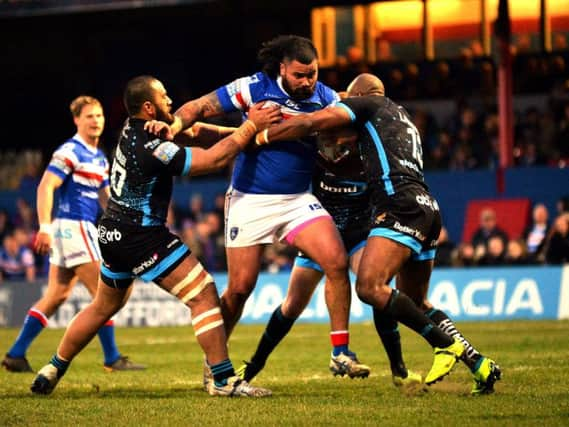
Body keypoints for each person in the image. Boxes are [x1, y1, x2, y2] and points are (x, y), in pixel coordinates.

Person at [30, 75, 280, 397]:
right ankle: (223, 380)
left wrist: (249, 134)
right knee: (203, 293)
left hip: (112, 233)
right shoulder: (153, 146)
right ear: (148, 107)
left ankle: (52, 368)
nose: (170, 102)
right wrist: (249, 128)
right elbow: (213, 159)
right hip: (140, 235)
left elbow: (195, 132)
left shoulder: (134, 131)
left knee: (103, 306)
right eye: (164, 97)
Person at [258, 73, 502, 393]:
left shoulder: (368, 103)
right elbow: (345, 156)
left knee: (369, 287)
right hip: (427, 207)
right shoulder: (402, 119)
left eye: (349, 99)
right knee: (416, 300)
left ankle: (445, 345)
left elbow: (314, 122)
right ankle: (480, 364)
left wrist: (264, 134)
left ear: (360, 96)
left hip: (399, 207)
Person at [147, 35, 368, 381]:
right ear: (282, 68)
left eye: (313, 74)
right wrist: (174, 125)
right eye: (300, 75)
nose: (308, 82)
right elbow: (200, 107)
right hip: (250, 199)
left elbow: (346, 129)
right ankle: (214, 363)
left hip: (297, 200)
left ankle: (340, 353)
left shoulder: (324, 97)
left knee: (336, 261)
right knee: (239, 289)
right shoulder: (254, 88)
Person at [2, 96, 145, 373]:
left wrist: (125, 223)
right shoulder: (70, 151)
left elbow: (105, 198)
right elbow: (46, 186)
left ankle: (16, 354)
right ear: (77, 120)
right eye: (89, 116)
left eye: (100, 116)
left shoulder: (98, 157)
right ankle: (112, 357)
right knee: (105, 295)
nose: (96, 121)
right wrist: (44, 226)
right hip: (72, 227)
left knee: (57, 295)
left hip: (77, 229)